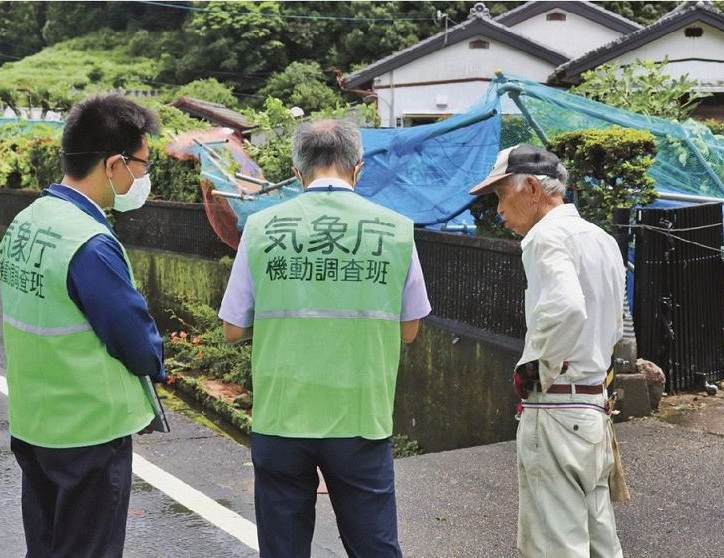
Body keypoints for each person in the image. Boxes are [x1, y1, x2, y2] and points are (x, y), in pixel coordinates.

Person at [220, 118, 431, 557]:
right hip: (360, 415)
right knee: (374, 546)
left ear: (298, 173)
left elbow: (233, 328)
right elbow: (409, 330)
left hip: (282, 414)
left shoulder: (262, 228)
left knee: (284, 547)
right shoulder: (394, 230)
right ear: (358, 167)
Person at [0, 94, 166, 557]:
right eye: (142, 164)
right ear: (113, 164)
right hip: (88, 430)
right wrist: (156, 366)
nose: (143, 177)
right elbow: (132, 333)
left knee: (48, 546)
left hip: (35, 422)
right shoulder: (88, 242)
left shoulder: (27, 222)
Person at [468, 144, 625, 557]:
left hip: (556, 408)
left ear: (532, 187)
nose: (499, 208)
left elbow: (566, 306)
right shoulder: (601, 238)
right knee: (598, 539)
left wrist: (535, 367)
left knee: (556, 544)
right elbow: (614, 323)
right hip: (593, 405)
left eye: (502, 194)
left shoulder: (544, 237)